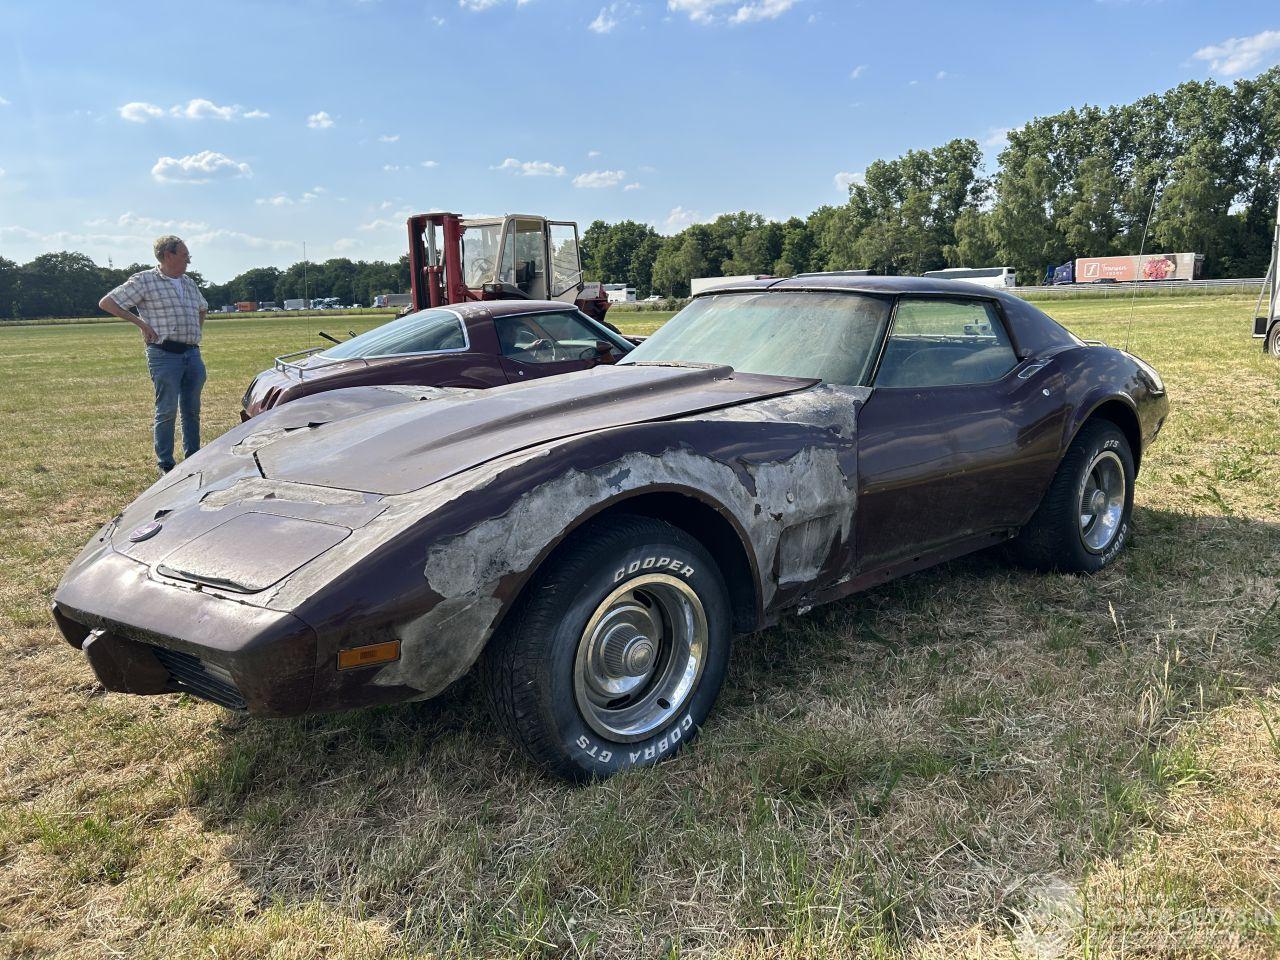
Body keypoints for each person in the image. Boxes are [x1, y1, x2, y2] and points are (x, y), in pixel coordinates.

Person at [99, 236, 208, 475]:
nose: (189, 260)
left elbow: (202, 307)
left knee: (192, 410)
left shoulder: (189, 282)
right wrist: (141, 324)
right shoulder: (145, 280)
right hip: (164, 353)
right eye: (184, 255)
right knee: (167, 410)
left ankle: (194, 458)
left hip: (192, 353)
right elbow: (108, 303)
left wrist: (196, 332)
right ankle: (166, 464)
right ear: (168, 255)